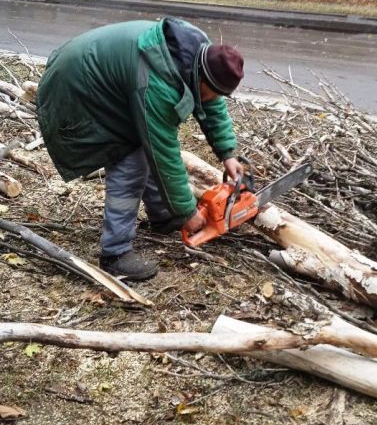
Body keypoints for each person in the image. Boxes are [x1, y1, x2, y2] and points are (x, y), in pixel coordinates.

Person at [37, 17, 244, 281]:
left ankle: (163, 217)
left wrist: (228, 153)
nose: (213, 98)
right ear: (202, 75)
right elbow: (163, 154)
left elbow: (211, 103)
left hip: (106, 80)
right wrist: (186, 212)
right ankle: (115, 253)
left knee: (140, 148)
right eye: (212, 91)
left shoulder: (202, 56)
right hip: (75, 88)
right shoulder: (158, 83)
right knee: (129, 160)